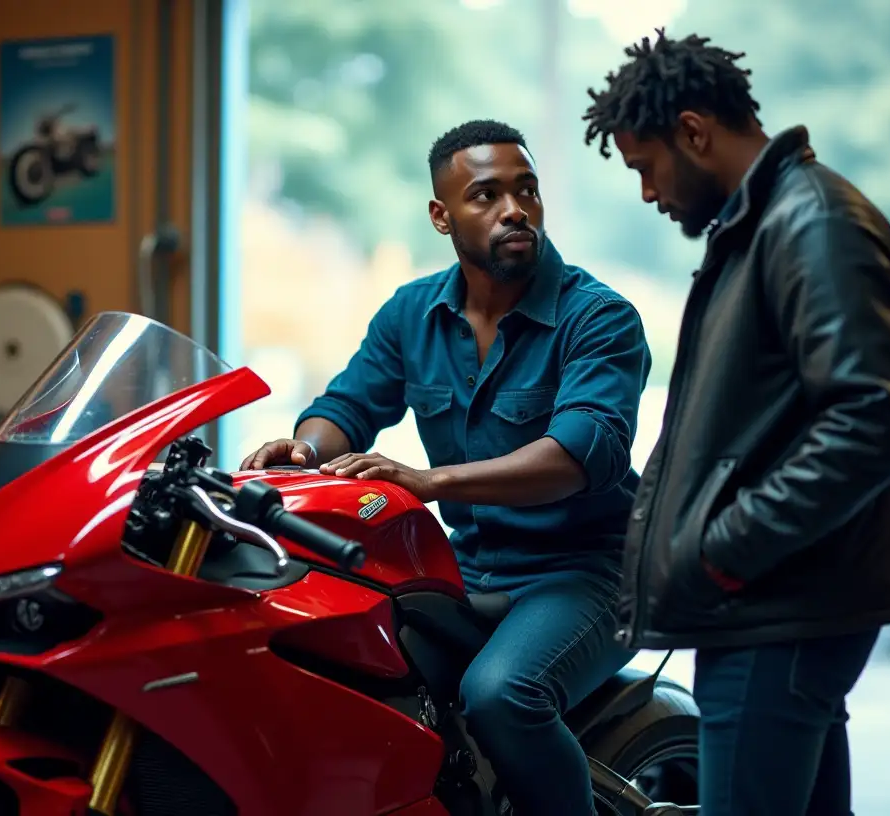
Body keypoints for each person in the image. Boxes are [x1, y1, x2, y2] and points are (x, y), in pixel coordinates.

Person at [241, 119, 651, 816]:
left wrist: (429, 483)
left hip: (587, 572)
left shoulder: (599, 318)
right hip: (468, 566)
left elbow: (578, 457)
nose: (514, 209)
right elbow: (347, 404)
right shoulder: (413, 312)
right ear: (442, 215)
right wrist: (305, 449)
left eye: (526, 191)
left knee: (501, 696)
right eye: (486, 195)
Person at [582, 30, 890, 815]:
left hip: (776, 608)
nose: (646, 192)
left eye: (646, 166)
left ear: (694, 132)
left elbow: (872, 416)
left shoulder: (811, 224)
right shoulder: (766, 224)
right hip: (776, 605)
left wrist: (726, 549)